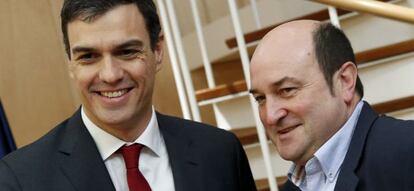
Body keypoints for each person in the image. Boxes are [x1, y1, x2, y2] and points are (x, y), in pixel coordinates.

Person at [0, 0, 257, 190]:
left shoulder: (220, 153)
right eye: (88, 57)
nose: (110, 75)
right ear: (70, 63)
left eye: (126, 52)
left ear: (157, 51)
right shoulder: (20, 179)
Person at [249, 20, 414, 191]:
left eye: (287, 90)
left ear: (345, 81)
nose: (270, 116)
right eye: (260, 98)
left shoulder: (407, 152)